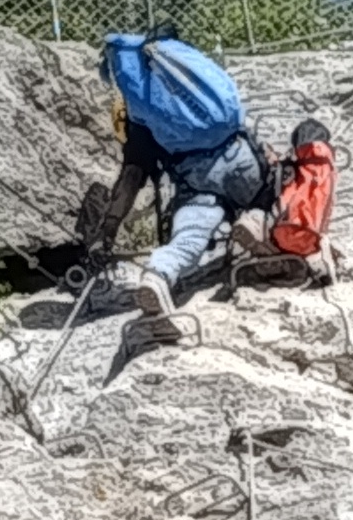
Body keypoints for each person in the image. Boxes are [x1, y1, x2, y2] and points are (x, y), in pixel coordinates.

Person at [82, 32, 274, 327]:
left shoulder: (141, 114)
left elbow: (132, 175)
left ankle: (159, 274)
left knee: (190, 234)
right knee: (270, 192)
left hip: (194, 178)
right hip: (238, 156)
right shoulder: (182, 70)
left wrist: (109, 229)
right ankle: (255, 219)